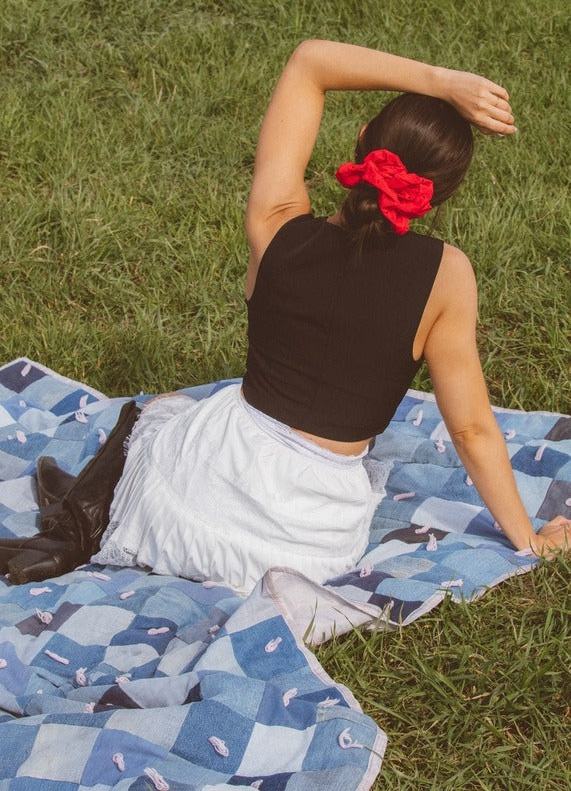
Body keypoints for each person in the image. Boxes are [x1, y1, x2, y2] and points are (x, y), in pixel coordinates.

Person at [1, 40, 569, 590]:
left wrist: (441, 81)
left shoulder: (275, 223)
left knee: (158, 413)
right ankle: (80, 514)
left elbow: (310, 62)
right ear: (441, 194)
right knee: (170, 421)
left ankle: (79, 523)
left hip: (190, 513)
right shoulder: (448, 276)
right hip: (306, 548)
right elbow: (471, 430)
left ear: (362, 140)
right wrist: (529, 540)